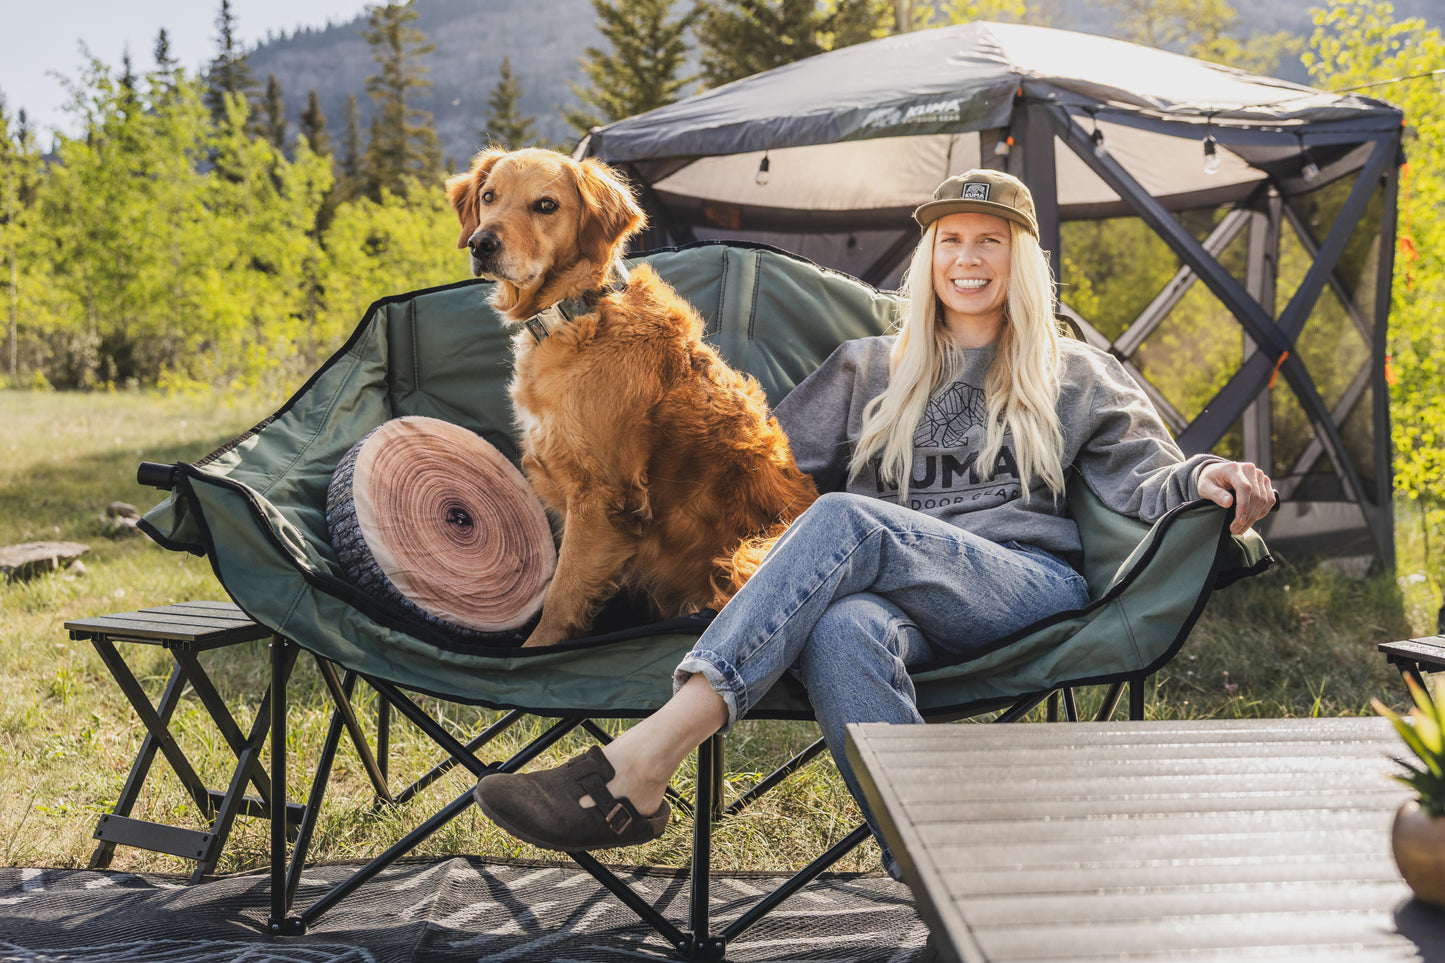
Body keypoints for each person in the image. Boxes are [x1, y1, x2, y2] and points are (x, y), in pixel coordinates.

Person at [471, 169, 1276, 873]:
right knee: (842, 629)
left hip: (1018, 587)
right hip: (892, 603)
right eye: (951, 241)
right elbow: (752, 461)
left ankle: (641, 763)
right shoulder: (867, 366)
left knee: (852, 518)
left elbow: (1144, 477)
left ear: (1019, 260)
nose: (967, 258)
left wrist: (1212, 473)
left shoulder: (1073, 371)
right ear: (929, 260)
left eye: (989, 242)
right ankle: (940, 878)